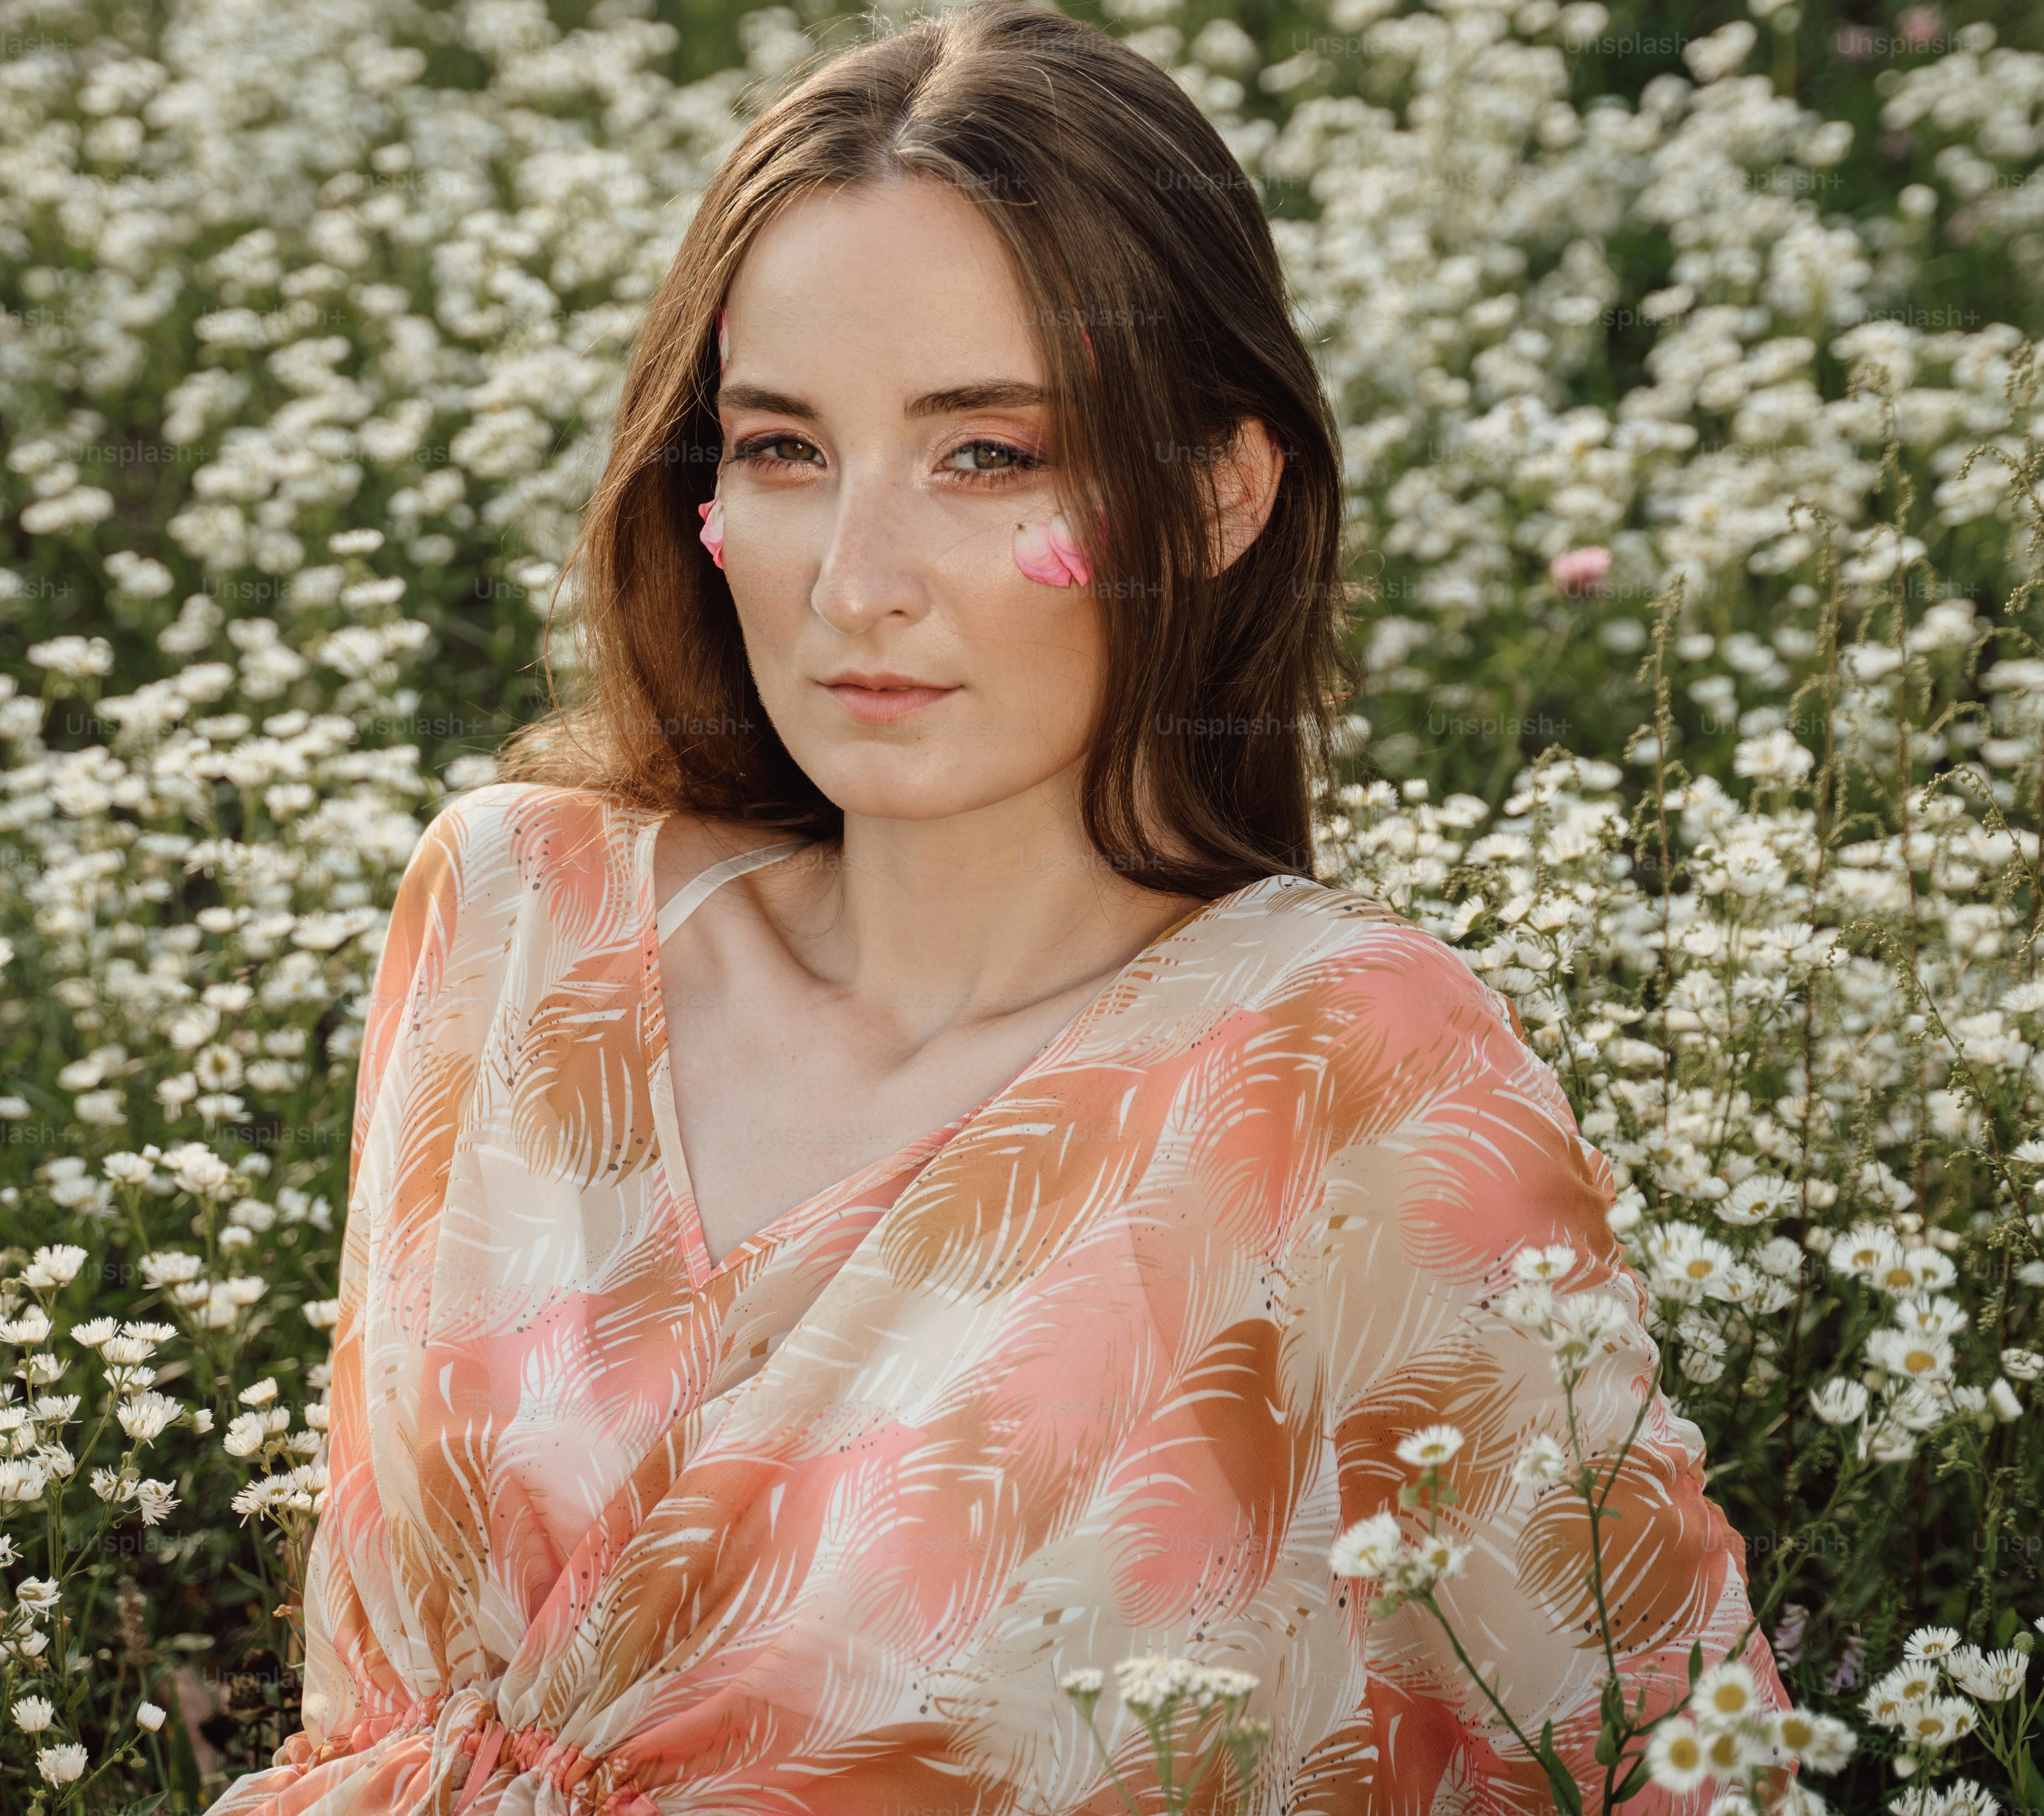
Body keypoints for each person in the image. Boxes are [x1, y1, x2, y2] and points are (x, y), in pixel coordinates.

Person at [207, 4, 1783, 1811]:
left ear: (1217, 496)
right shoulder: (517, 917)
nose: (855, 582)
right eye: (784, 449)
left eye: (988, 456)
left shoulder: (1350, 1072)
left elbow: (1662, 1761)